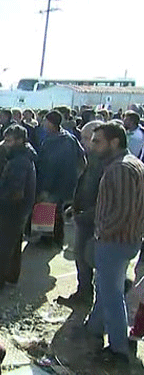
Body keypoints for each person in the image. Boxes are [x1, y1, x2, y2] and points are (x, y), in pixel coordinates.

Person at [82, 121, 144, 365]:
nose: (92, 146)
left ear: (114, 142)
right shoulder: (130, 164)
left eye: (97, 141)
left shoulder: (120, 168)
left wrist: (101, 233)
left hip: (115, 241)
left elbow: (123, 212)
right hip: (125, 239)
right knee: (106, 287)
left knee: (112, 294)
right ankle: (94, 328)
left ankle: (118, 350)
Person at [0, 125, 36, 290]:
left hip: (11, 210)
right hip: (20, 210)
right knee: (14, 245)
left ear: (20, 141)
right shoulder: (23, 156)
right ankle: (11, 277)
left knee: (2, 246)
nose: (5, 144)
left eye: (9, 141)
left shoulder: (19, 161)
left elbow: (16, 191)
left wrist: (1, 203)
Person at [57, 121, 104, 306]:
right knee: (81, 257)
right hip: (82, 214)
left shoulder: (102, 163)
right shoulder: (90, 158)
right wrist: (74, 206)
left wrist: (83, 214)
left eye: (86, 138)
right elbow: (85, 186)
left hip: (92, 219)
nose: (82, 141)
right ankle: (83, 292)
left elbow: (102, 196)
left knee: (88, 259)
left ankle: (87, 296)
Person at [36, 110, 86, 247]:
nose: (43, 124)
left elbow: (49, 166)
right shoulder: (70, 138)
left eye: (45, 121)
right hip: (67, 182)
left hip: (52, 182)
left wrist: (44, 187)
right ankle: (57, 238)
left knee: (46, 208)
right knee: (57, 211)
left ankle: (46, 240)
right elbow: (82, 159)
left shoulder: (51, 141)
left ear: (51, 123)